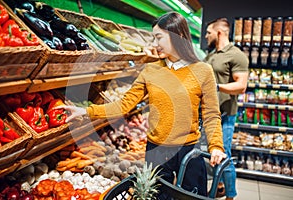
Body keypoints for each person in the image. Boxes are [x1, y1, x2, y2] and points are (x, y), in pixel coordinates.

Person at [58, 11, 226, 198]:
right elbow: (124, 105)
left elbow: (211, 114)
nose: (154, 44)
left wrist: (216, 146)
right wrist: (86, 111)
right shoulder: (151, 70)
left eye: (159, 38)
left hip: (189, 151)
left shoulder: (203, 71)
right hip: (155, 150)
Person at [204, 18, 249, 200]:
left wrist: (216, 87)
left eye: (209, 32)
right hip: (210, 113)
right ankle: (219, 186)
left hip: (225, 114)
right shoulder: (213, 54)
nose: (206, 36)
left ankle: (231, 196)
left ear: (219, 33)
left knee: (224, 155)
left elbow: (241, 86)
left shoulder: (236, 55)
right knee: (213, 153)